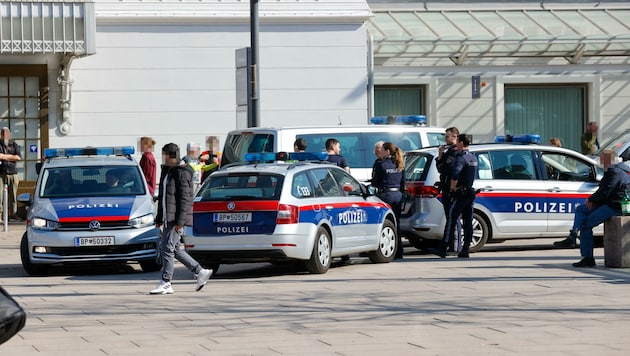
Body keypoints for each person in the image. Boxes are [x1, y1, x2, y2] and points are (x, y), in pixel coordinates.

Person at [150, 143, 212, 295]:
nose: (164, 158)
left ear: (173, 156)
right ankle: (200, 271)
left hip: (175, 219)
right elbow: (164, 196)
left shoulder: (182, 172)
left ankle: (166, 282)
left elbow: (185, 199)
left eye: (166, 155)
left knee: (166, 249)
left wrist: (180, 222)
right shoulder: (166, 170)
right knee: (175, 249)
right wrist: (159, 217)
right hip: (167, 216)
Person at [553, 150, 630, 267]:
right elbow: (604, 190)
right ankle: (572, 235)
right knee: (581, 209)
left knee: (586, 225)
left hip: (616, 206)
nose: (601, 163)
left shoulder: (615, 171)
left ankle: (588, 258)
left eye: (603, 160)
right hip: (611, 202)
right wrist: (593, 199)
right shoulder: (619, 168)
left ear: (609, 160)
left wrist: (592, 200)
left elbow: (606, 191)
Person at [432, 134, 478, 258]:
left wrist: (453, 187)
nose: (456, 144)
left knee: (452, 219)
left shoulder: (460, 158)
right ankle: (465, 248)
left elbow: (456, 174)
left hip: (460, 193)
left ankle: (443, 247)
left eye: (458, 142)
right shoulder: (473, 157)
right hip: (470, 192)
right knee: (468, 221)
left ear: (462, 143)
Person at [372, 142, 405, 259]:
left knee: (386, 224)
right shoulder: (399, 163)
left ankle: (390, 250)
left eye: (383, 150)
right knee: (397, 223)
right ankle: (399, 251)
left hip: (386, 195)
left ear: (387, 151)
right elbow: (403, 183)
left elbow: (375, 181)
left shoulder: (382, 165)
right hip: (398, 195)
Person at [436, 127, 461, 252]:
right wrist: (440, 156)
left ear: (455, 137)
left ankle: (455, 246)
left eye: (447, 136)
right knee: (450, 217)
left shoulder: (455, 152)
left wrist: (441, 158)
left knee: (453, 218)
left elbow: (444, 169)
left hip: (452, 188)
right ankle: (450, 245)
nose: (446, 139)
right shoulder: (449, 151)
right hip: (446, 187)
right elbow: (441, 168)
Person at [0, 127, 22, 221]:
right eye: (3, 133)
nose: (5, 135)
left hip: (13, 173)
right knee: (0, 195)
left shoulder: (14, 144)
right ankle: (0, 215)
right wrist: (11, 157)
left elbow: (18, 157)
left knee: (13, 195)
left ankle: (13, 214)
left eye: (6, 133)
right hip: (1, 173)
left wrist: (5, 157)